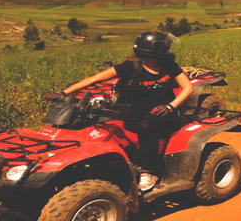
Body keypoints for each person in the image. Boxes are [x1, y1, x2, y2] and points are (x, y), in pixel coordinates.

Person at [62, 31, 192, 191]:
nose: (168, 50)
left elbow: (188, 88)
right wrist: (65, 92)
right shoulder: (130, 67)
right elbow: (95, 79)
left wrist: (170, 106)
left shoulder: (169, 66)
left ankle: (149, 171)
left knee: (146, 127)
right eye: (164, 47)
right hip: (137, 109)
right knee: (101, 125)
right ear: (154, 50)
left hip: (165, 111)